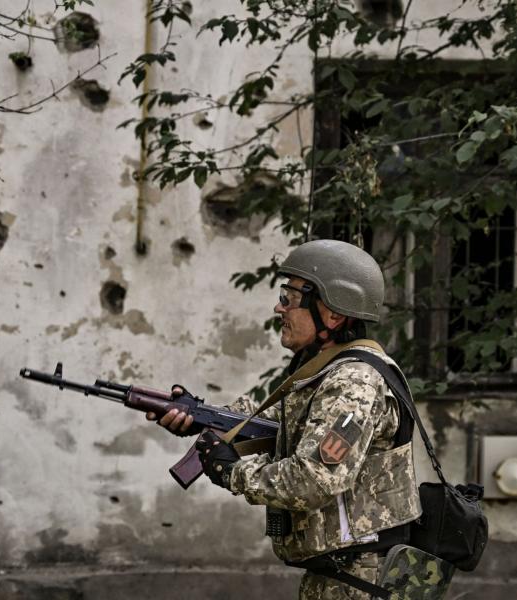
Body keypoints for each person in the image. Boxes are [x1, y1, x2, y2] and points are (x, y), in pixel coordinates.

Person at [150, 239, 421, 599]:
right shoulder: (322, 375)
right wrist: (200, 417)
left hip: (361, 579)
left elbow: (313, 479)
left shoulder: (353, 381)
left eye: (289, 298)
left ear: (333, 313)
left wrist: (231, 472)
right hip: (340, 573)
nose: (279, 308)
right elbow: (273, 425)